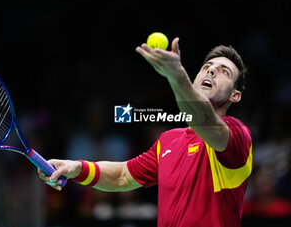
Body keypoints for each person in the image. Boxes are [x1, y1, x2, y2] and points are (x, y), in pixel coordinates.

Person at [38, 37, 252, 227]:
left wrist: (176, 76)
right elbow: (122, 176)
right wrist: (76, 167)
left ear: (235, 95)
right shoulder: (168, 141)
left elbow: (202, 119)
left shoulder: (237, 135)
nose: (212, 71)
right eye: (207, 67)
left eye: (224, 72)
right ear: (195, 78)